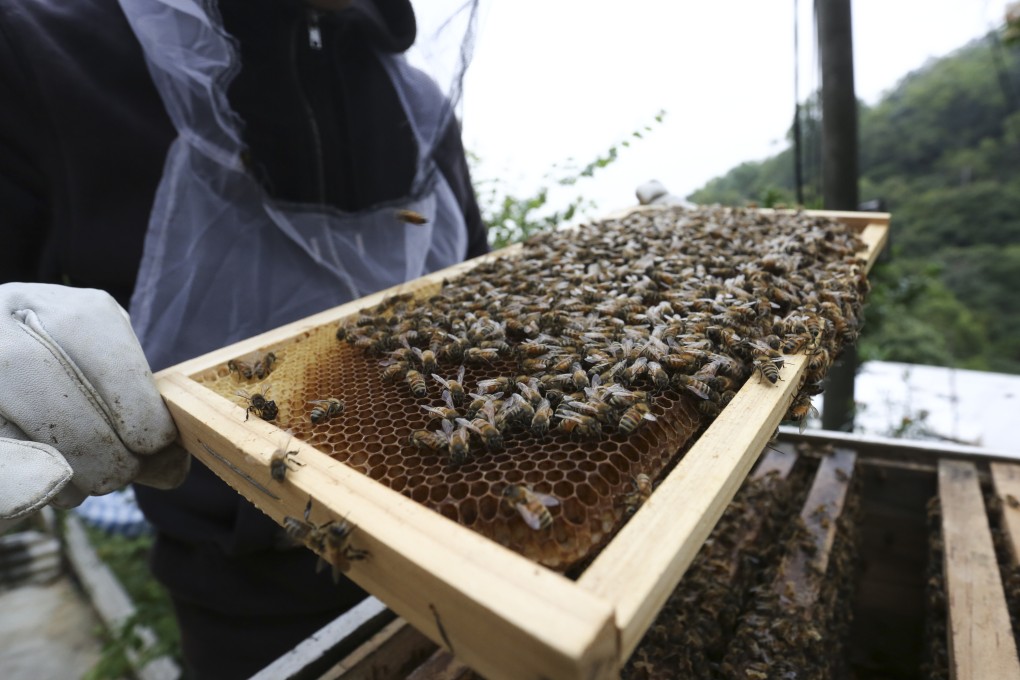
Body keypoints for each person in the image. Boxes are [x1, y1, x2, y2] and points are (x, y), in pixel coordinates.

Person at [0, 0, 488, 676]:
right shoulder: (43, 46)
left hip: (472, 539)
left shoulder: (420, 103)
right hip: (249, 599)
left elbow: (487, 306)